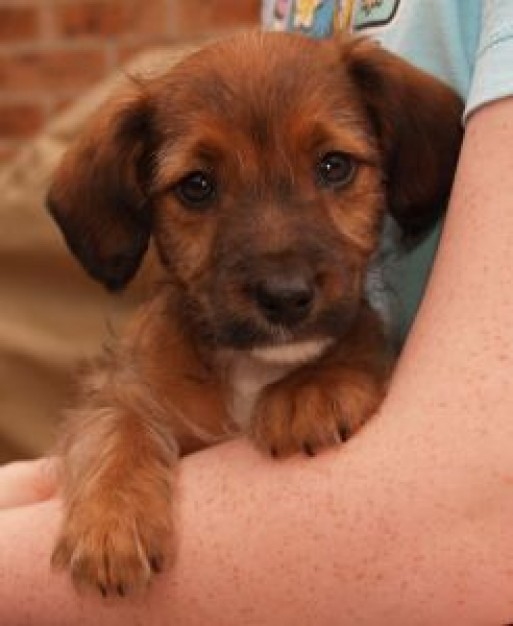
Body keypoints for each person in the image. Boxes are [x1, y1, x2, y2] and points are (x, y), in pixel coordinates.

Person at [1, 0, 513, 623]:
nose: (283, 278)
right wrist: (115, 461)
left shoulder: (376, 369)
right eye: (198, 188)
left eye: (333, 168)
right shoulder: (159, 367)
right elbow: (114, 407)